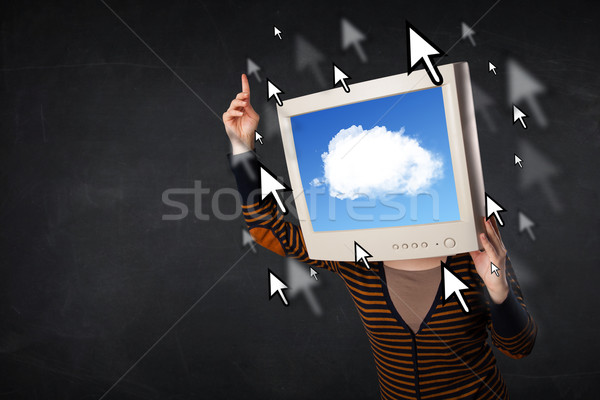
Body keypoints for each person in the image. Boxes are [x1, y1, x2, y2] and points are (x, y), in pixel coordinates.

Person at [223, 74, 537, 400]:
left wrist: (498, 290)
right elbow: (266, 229)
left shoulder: (476, 250)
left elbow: (519, 348)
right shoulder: (351, 254)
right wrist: (241, 147)